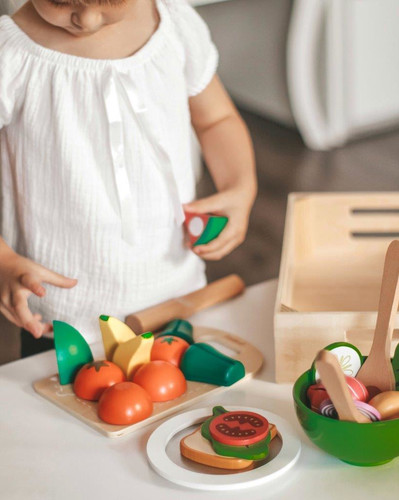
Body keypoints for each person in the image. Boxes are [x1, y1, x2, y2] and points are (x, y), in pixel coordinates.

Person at [0, 0, 256, 356]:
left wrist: (240, 188)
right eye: (60, 1)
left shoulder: (173, 25)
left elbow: (216, 120)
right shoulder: (10, 55)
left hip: (175, 294)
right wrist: (3, 259)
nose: (86, 19)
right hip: (61, 315)